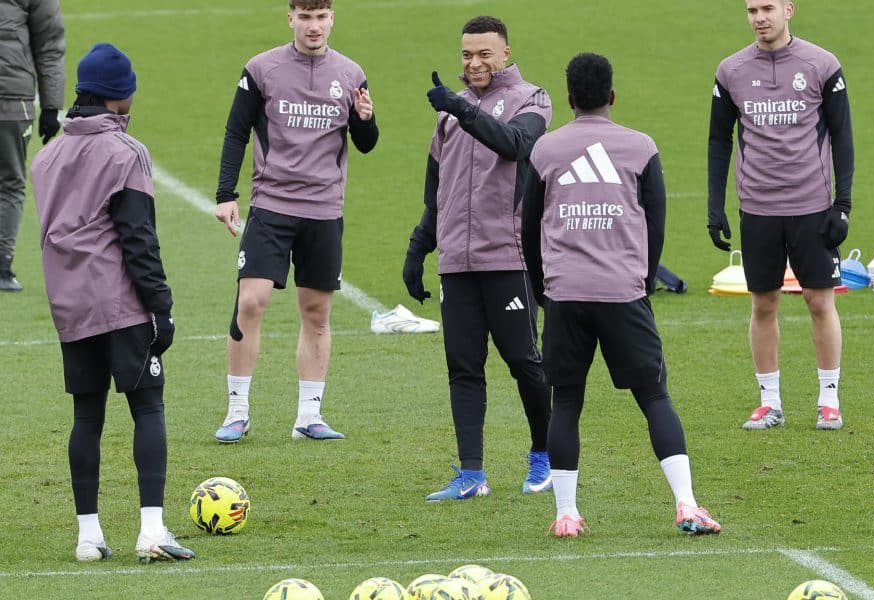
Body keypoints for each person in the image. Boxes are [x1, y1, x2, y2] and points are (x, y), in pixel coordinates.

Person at [522, 52, 722, 537]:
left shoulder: (546, 151)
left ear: (569, 98)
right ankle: (686, 504)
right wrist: (643, 279)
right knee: (654, 396)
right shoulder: (641, 147)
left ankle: (566, 514)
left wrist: (543, 287)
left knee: (566, 401)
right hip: (623, 292)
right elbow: (656, 224)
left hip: (566, 293)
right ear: (612, 96)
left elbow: (527, 229)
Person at [30, 43, 195, 562]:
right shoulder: (127, 153)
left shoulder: (46, 156)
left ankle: (88, 536)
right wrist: (161, 306)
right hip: (120, 305)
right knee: (147, 405)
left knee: (86, 416)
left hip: (69, 306)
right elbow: (137, 239)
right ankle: (151, 532)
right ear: (122, 98)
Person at [212, 0, 378, 443]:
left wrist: (366, 120)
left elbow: (365, 144)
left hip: (324, 210)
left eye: (321, 17)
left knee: (317, 312)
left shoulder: (351, 73)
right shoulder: (261, 69)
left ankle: (308, 417)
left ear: (332, 19)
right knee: (251, 301)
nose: (314, 26)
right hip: (271, 205)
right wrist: (226, 194)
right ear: (290, 19)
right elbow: (236, 131)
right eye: (305, 17)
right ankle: (237, 411)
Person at [403, 15, 553, 501]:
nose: (474, 63)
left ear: (506, 54)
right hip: (457, 262)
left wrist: (460, 110)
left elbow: (515, 145)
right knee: (463, 366)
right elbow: (436, 185)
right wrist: (419, 247)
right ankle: (472, 474)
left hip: (508, 256)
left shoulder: (532, 99)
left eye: (485, 53)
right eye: (467, 54)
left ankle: (544, 455)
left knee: (523, 361)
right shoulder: (450, 112)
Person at [707, 0, 854, 430]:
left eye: (767, 8)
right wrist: (715, 206)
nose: (759, 18)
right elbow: (719, 141)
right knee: (764, 302)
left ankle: (830, 399)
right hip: (757, 207)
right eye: (752, 10)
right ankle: (769, 402)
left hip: (812, 206)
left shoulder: (822, 65)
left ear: (789, 10)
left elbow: (843, 136)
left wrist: (842, 204)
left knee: (818, 300)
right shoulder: (730, 70)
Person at [0, 0, 65, 292]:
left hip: (12, 98)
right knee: (10, 183)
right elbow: (49, 43)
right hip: (13, 100)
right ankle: (1, 266)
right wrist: (51, 105)